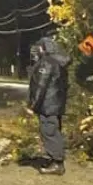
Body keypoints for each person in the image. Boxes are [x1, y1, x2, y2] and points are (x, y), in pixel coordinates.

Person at [28, 33, 71, 176]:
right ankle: (55, 160)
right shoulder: (58, 62)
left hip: (48, 105)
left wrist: (33, 105)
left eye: (39, 48)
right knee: (53, 130)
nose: (36, 51)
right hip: (55, 104)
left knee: (49, 132)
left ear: (44, 48)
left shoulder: (47, 62)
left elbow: (41, 85)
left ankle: (57, 164)